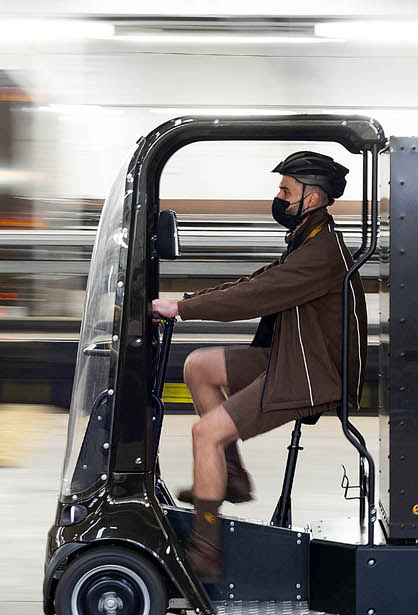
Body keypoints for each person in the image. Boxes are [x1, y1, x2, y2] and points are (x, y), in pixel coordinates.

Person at [149, 151, 368, 578]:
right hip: (294, 356)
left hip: (311, 376)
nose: (279, 197)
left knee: (205, 434)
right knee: (199, 366)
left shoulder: (321, 251)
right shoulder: (307, 242)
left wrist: (182, 308)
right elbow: (256, 282)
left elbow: (255, 296)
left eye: (286, 190)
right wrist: (185, 302)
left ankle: (206, 547)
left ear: (312, 198)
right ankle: (230, 475)